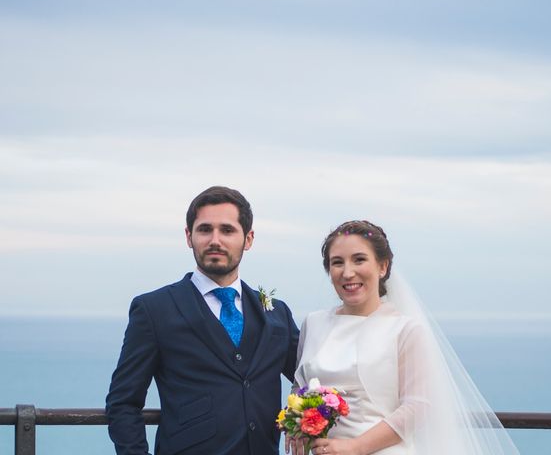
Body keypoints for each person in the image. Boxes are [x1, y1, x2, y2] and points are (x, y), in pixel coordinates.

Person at [290, 220, 520, 455]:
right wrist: (296, 425)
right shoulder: (313, 323)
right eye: (337, 263)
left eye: (359, 259)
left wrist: (355, 447)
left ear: (382, 266)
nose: (348, 272)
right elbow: (300, 387)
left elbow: (417, 407)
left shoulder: (404, 330)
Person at [106, 186, 299, 455]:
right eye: (205, 229)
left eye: (227, 230)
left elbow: (316, 378)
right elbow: (123, 402)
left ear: (249, 239)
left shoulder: (277, 314)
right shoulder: (153, 310)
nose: (215, 240)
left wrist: (306, 422)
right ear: (189, 236)